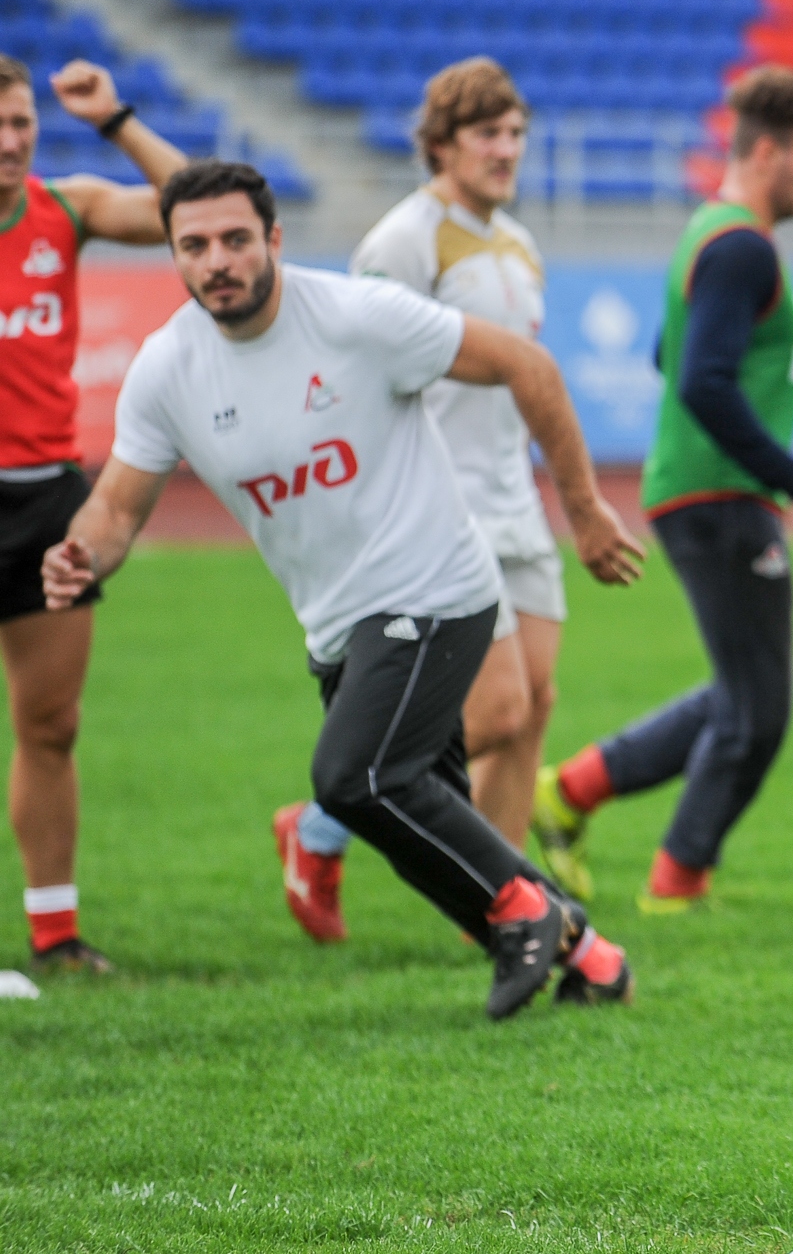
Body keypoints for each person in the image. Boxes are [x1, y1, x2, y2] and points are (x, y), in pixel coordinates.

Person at [42, 160, 645, 1018]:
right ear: (172, 255)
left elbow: (528, 366)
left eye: (236, 240)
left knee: (353, 775)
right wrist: (80, 557)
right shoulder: (167, 369)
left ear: (274, 240)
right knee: (409, 814)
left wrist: (584, 511)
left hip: (437, 587)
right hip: (336, 624)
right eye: (195, 245)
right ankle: (592, 957)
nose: (218, 260)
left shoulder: (358, 316)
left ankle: (528, 912)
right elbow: (114, 510)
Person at [531, 65, 793, 913]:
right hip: (719, 496)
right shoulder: (740, 245)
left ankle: (570, 790)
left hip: (703, 490)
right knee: (758, 711)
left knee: (743, 693)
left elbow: (663, 356)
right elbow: (701, 381)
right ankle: (677, 880)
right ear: (769, 152)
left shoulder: (709, 233)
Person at [272, 57, 562, 944]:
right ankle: (320, 824)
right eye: (487, 135)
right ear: (441, 145)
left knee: (534, 707)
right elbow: (365, 371)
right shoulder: (403, 239)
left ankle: (508, 908)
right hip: (445, 506)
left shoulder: (517, 242)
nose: (506, 150)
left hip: (514, 495)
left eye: (515, 133)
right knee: (498, 708)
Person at [0, 54, 188, 974]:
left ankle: (55, 932)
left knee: (52, 725)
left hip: (42, 501)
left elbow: (193, 206)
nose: (8, 141)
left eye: (20, 123)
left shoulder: (63, 209)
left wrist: (115, 119)